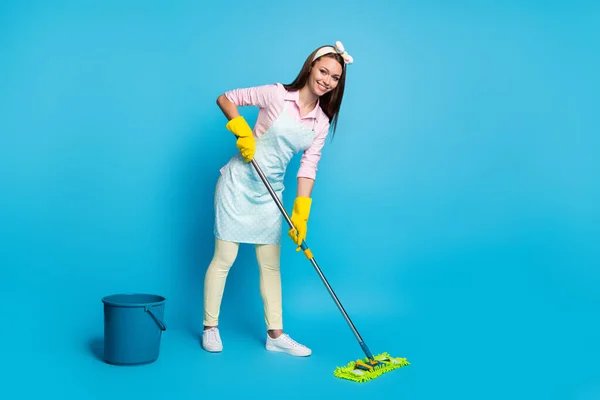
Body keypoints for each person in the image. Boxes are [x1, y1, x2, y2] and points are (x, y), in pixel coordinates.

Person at [201, 41, 353, 357]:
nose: (326, 80)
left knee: (270, 265)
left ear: (338, 83)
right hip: (238, 184)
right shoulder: (276, 94)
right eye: (323, 70)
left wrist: (301, 213)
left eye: (334, 77)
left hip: (270, 195)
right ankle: (210, 327)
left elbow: (308, 167)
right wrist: (240, 129)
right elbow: (226, 98)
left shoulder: (321, 123)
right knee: (224, 259)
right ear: (310, 66)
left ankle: (275, 335)